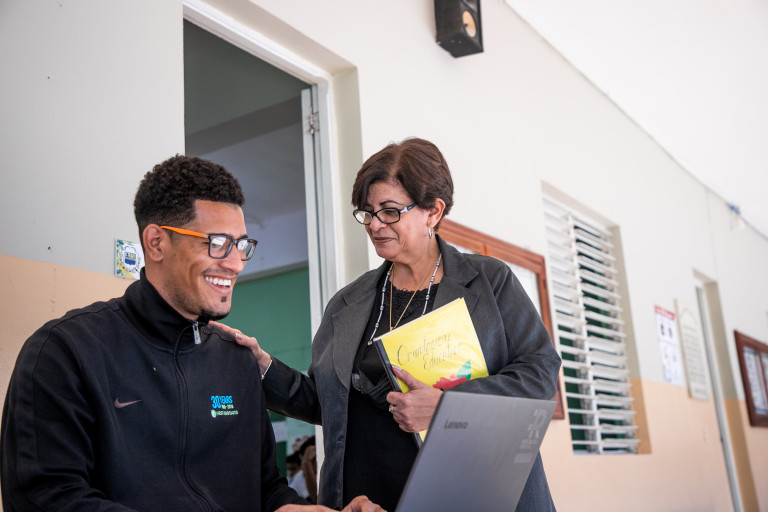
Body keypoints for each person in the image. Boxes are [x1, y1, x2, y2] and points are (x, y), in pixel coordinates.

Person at [0, 155, 383, 512]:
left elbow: (267, 489)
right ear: (156, 243)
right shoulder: (65, 352)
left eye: (241, 245)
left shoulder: (237, 361)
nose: (235, 264)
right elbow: (46, 498)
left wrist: (297, 508)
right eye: (217, 244)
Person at [218, 138, 562, 511]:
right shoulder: (347, 303)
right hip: (366, 500)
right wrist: (263, 367)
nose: (375, 224)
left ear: (433, 212)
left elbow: (540, 373)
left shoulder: (489, 281)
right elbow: (325, 402)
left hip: (472, 493)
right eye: (367, 212)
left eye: (390, 211)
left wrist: (448, 408)